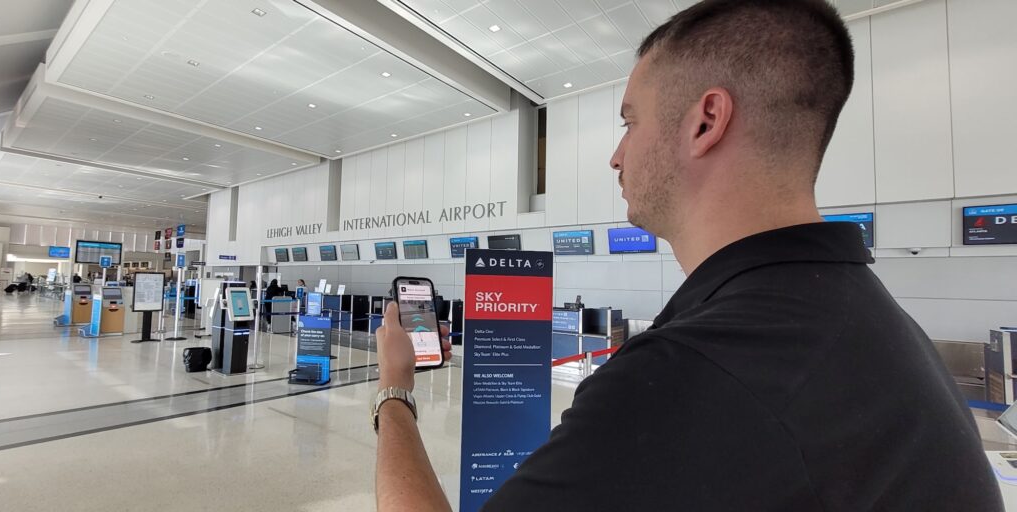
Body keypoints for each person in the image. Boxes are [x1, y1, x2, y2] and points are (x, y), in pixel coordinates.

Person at [372, 1, 1003, 510]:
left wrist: (395, 391)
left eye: (629, 122)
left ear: (706, 122)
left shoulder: (695, 370)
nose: (616, 157)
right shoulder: (873, 326)